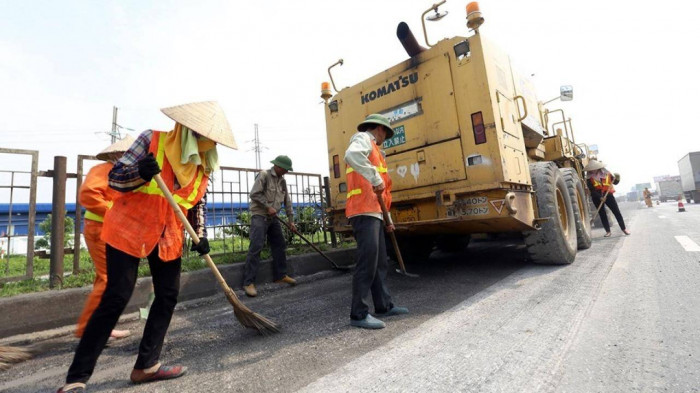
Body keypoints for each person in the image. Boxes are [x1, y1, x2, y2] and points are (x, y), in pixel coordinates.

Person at [58, 101, 237, 393]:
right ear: (187, 130)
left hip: (168, 234)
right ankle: (76, 378)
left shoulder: (204, 163)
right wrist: (140, 172)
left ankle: (146, 366)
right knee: (116, 296)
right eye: (203, 136)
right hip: (129, 228)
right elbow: (116, 179)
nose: (208, 143)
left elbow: (196, 202)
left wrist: (201, 236)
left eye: (212, 140)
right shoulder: (152, 140)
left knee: (167, 296)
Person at [344, 114, 408, 330]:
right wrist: (375, 177)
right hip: (363, 211)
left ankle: (384, 305)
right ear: (379, 129)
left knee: (380, 262)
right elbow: (352, 156)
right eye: (385, 134)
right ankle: (359, 314)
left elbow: (381, 191)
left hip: (374, 212)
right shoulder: (362, 139)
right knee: (367, 262)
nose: (385, 139)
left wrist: (385, 218)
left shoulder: (376, 150)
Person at [74, 136, 135, 341]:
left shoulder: (118, 172)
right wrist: (114, 212)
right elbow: (88, 194)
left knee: (104, 278)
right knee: (109, 279)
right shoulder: (104, 169)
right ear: (118, 154)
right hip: (100, 228)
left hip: (107, 228)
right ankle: (90, 330)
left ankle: (99, 326)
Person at [242, 155, 298, 297]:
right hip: (260, 216)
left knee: (280, 244)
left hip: (273, 218)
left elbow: (287, 201)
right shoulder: (264, 175)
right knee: (256, 247)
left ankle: (280, 276)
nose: (286, 172)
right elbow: (254, 194)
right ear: (278, 167)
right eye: (285, 169)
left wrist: (291, 220)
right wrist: (267, 207)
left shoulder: (282, 181)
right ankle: (248, 282)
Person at [584, 159, 630, 238]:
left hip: (608, 194)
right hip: (597, 197)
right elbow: (592, 190)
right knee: (602, 214)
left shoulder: (607, 173)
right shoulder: (588, 178)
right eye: (591, 169)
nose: (593, 170)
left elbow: (614, 182)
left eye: (594, 168)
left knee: (616, 212)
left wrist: (617, 178)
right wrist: (600, 197)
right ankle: (608, 231)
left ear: (598, 168)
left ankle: (624, 229)